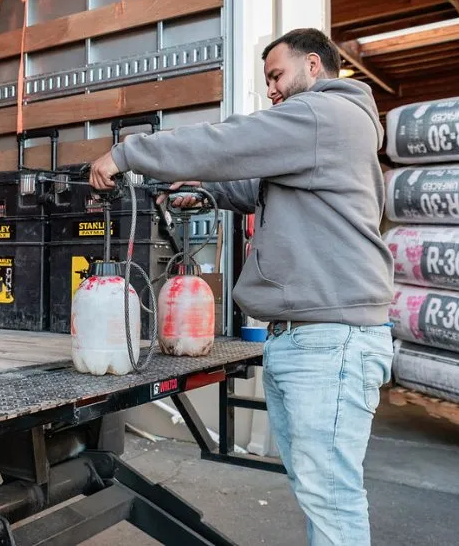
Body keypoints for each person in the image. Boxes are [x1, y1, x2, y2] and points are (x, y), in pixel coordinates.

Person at [89, 27, 395, 546]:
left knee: (331, 497)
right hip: (307, 337)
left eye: (277, 75)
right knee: (319, 489)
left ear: (314, 67)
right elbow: (251, 183)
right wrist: (200, 189)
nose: (271, 90)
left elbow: (229, 142)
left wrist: (127, 153)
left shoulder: (325, 114)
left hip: (329, 340)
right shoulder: (320, 133)